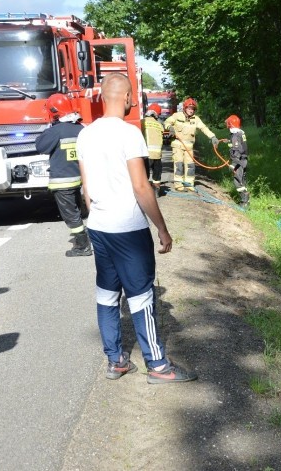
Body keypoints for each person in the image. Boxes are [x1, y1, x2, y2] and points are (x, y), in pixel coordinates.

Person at [76, 73, 197, 384]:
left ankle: (115, 360)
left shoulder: (85, 135)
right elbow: (142, 187)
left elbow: (85, 189)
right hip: (128, 229)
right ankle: (157, 366)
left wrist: (98, 216)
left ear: (102, 97)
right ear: (129, 98)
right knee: (142, 296)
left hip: (99, 227)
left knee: (106, 294)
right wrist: (163, 228)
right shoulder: (130, 134)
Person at [36, 94, 92, 257]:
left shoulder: (55, 131)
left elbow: (41, 147)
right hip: (78, 179)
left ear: (53, 112)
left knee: (70, 215)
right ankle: (88, 238)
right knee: (77, 211)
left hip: (62, 181)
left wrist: (46, 129)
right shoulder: (81, 129)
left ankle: (82, 246)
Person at [163, 97, 219, 192]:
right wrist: (170, 128)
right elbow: (166, 122)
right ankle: (179, 184)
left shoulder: (196, 119)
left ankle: (189, 184)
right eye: (189, 108)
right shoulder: (177, 116)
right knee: (179, 165)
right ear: (185, 108)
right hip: (177, 146)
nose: (191, 110)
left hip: (189, 147)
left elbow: (204, 128)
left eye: (193, 109)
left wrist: (213, 137)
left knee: (190, 166)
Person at [222, 114, 249, 208]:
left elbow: (237, 150)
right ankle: (245, 201)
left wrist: (233, 164)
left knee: (238, 181)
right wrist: (229, 141)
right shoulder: (240, 133)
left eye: (228, 124)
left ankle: (244, 203)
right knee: (242, 180)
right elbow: (240, 146)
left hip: (239, 162)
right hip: (243, 161)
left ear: (230, 124)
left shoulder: (235, 136)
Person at [143, 103, 166, 195]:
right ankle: (156, 189)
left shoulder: (142, 122)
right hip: (157, 155)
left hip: (146, 154)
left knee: (145, 174)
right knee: (157, 173)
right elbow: (165, 135)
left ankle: (144, 191)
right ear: (157, 114)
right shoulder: (159, 124)